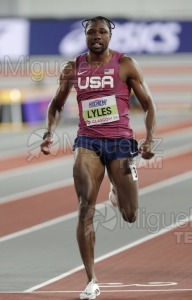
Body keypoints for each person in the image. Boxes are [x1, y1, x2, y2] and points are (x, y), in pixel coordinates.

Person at [40, 16, 156, 300]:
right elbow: (56, 104)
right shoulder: (73, 68)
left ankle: (117, 190)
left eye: (102, 31)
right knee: (84, 206)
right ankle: (91, 279)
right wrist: (49, 132)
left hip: (120, 142)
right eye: (91, 31)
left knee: (130, 215)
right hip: (87, 142)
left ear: (110, 35)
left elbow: (149, 104)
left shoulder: (125, 64)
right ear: (85, 36)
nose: (96, 36)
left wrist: (150, 138)